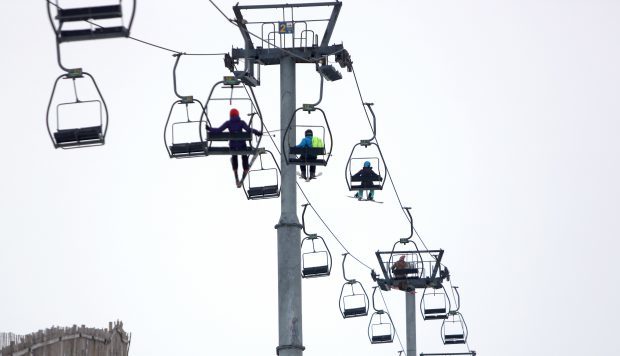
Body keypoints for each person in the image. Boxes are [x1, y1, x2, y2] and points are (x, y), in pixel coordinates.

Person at [207, 108, 262, 187]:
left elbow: (219, 130)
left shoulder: (228, 123)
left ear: (230, 115)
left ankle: (236, 174)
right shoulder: (241, 122)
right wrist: (257, 132)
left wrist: (209, 129)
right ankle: (245, 171)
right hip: (242, 146)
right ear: (238, 115)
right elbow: (249, 130)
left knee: (234, 155)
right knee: (244, 156)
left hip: (233, 147)